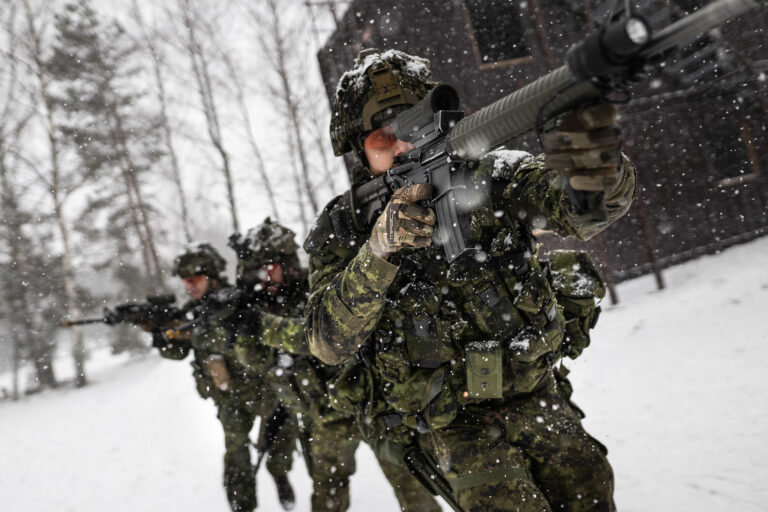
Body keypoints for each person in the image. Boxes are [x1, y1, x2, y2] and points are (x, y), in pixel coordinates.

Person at [304, 49, 636, 511]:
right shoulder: (345, 226)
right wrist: (378, 252)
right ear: (359, 150)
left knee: (591, 495)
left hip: (534, 392)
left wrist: (595, 167)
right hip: (452, 423)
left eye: (412, 127)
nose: (402, 147)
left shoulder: (489, 175)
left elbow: (580, 211)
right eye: (383, 138)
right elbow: (326, 341)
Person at [230, 219, 441, 512]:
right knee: (327, 491)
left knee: (410, 483)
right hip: (326, 414)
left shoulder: (315, 287)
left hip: (369, 403)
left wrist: (263, 326)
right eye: (256, 269)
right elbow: (254, 361)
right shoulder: (263, 303)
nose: (263, 276)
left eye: (268, 266)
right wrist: (241, 326)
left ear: (286, 262)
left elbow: (320, 338)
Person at [154, 243, 297, 512]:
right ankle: (242, 505)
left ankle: (279, 474)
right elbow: (177, 351)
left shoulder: (238, 300)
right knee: (236, 454)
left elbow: (261, 339)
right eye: (185, 281)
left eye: (195, 279)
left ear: (211, 277)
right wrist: (160, 336)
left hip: (261, 389)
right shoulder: (192, 312)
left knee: (279, 440)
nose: (189, 286)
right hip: (228, 397)